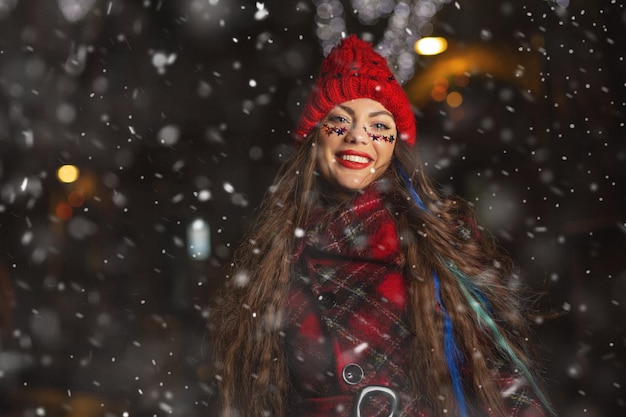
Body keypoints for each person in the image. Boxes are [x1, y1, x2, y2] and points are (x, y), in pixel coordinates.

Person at [210, 35, 553, 417]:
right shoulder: (274, 254)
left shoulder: (437, 237)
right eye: (340, 120)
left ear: (395, 145)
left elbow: (494, 372)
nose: (359, 136)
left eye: (379, 125)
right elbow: (254, 395)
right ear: (313, 136)